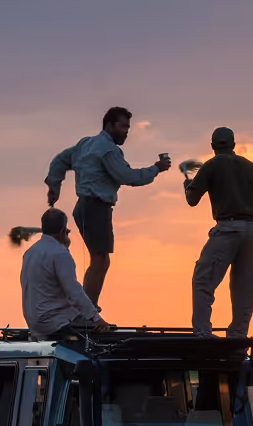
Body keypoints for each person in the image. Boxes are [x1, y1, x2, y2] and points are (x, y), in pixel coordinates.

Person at [44, 107, 172, 308]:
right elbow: (127, 177)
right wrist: (156, 168)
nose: (126, 132)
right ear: (109, 125)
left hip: (85, 207)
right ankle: (87, 314)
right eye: (122, 126)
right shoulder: (108, 150)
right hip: (96, 208)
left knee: (99, 260)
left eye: (128, 127)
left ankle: (86, 311)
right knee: (100, 261)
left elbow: (60, 160)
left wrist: (54, 185)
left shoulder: (86, 144)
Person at [184, 127, 253, 338]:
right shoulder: (248, 166)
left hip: (227, 228)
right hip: (251, 230)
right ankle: (237, 336)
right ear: (234, 144)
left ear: (213, 146)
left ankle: (203, 333)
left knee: (203, 281)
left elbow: (191, 200)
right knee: (244, 287)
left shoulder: (211, 166)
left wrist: (188, 185)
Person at [20, 208, 112, 340]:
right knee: (106, 335)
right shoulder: (60, 253)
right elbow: (74, 291)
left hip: (35, 324)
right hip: (56, 322)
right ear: (64, 229)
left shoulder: (30, 252)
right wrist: (96, 318)